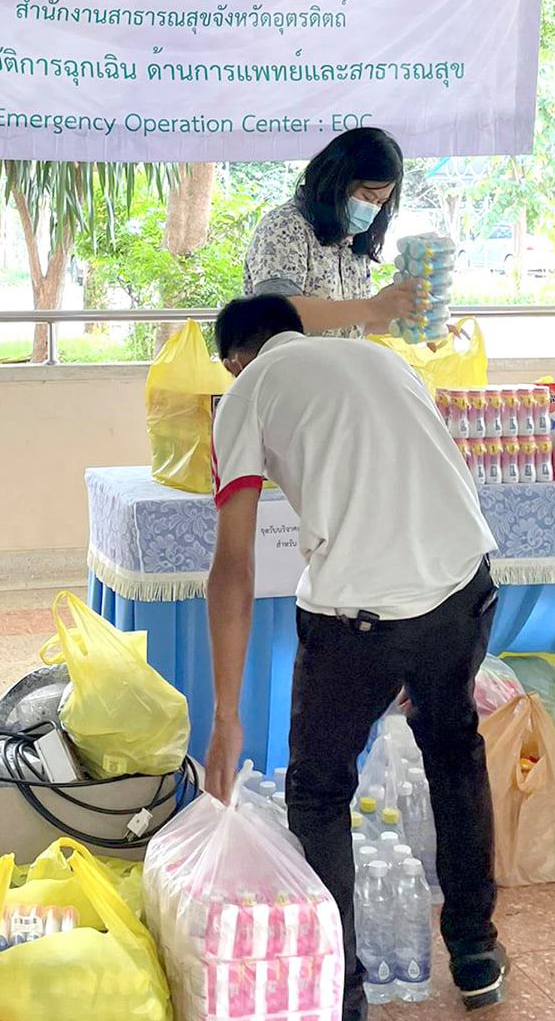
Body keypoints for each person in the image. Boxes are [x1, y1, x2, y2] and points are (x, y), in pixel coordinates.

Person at [201, 295, 504, 1020]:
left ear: (233, 358)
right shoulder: (379, 357)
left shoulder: (244, 393)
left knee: (319, 791)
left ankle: (341, 993)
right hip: (465, 586)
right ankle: (476, 954)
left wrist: (226, 717)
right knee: (454, 752)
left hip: (357, 618)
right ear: (294, 331)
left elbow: (234, 568)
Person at [243, 127, 423, 337]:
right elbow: (277, 316)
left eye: (380, 203)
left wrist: (405, 320)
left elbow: (351, 326)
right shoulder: (284, 227)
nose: (372, 209)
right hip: (291, 367)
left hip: (340, 366)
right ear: (336, 181)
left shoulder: (350, 240)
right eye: (366, 197)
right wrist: (373, 306)